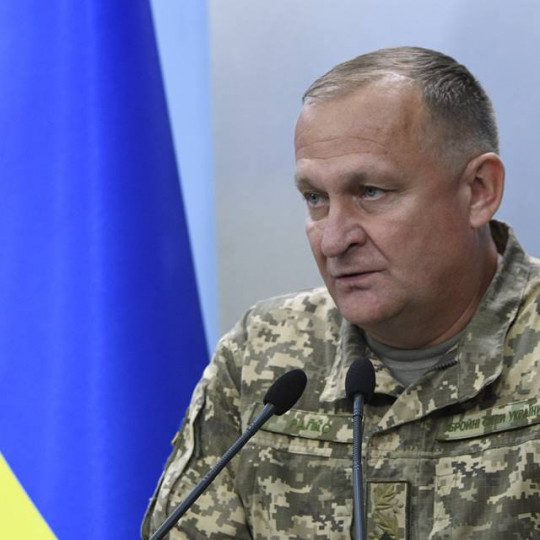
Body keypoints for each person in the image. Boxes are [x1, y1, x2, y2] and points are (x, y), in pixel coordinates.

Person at [142, 47, 540, 539]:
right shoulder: (263, 355)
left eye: (371, 192)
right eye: (315, 198)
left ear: (479, 190)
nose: (333, 240)